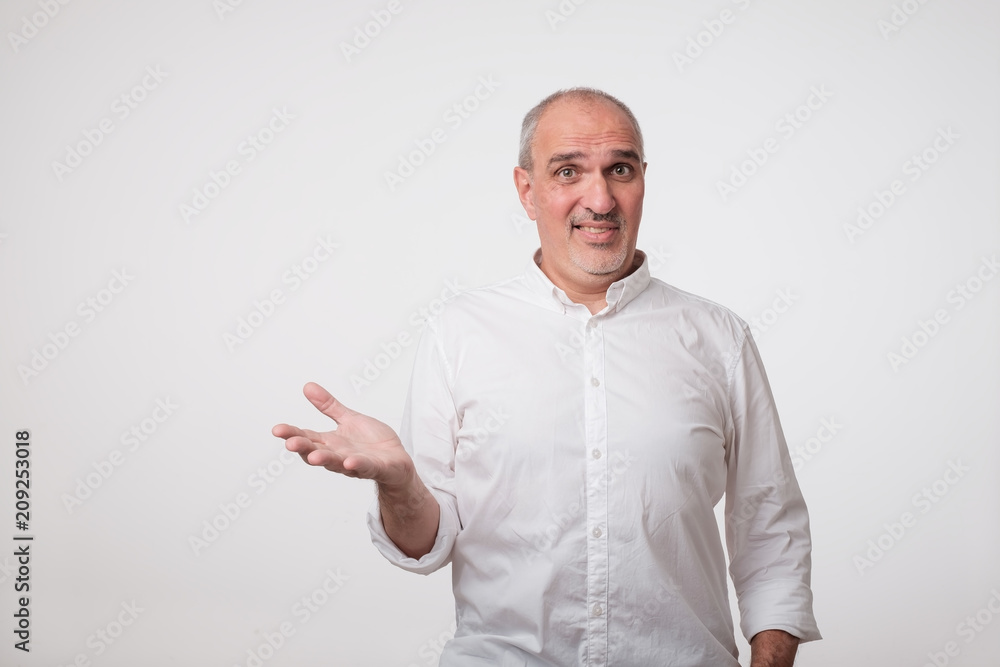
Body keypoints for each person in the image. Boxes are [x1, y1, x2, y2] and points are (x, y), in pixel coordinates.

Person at [272, 88, 821, 666]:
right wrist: (399, 483)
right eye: (568, 172)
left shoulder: (719, 337)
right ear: (527, 190)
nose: (601, 198)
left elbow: (770, 526)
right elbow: (423, 547)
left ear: (643, 179)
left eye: (620, 169)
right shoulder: (459, 333)